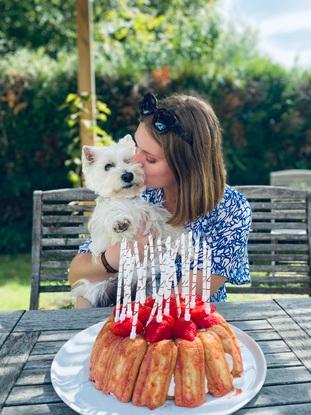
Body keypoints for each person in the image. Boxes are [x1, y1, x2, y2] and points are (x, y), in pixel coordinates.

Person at [69, 92, 252, 308]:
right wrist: (112, 259)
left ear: (185, 165)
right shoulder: (136, 192)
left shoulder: (230, 209)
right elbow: (76, 274)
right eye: (136, 148)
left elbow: (185, 299)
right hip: (123, 316)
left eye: (150, 158)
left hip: (185, 325)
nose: (134, 162)